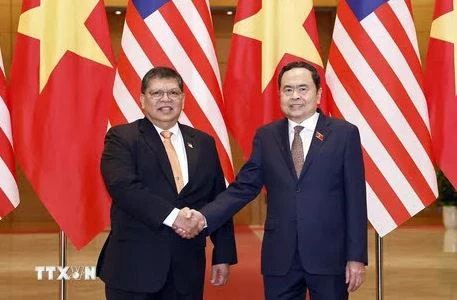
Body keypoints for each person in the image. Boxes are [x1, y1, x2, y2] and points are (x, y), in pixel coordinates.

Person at [177, 61, 367, 300]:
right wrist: (203, 217)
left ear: (318, 94)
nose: (295, 96)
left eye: (303, 89)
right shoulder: (267, 136)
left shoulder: (344, 134)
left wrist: (356, 257)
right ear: (279, 95)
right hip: (280, 256)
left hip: (329, 256)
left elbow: (356, 200)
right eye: (288, 90)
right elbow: (244, 187)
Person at [96, 66, 237, 300]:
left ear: (182, 98)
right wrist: (175, 217)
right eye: (156, 93)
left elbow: (217, 198)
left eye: (173, 93)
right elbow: (124, 188)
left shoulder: (204, 142)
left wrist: (222, 254)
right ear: (142, 99)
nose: (166, 99)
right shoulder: (122, 138)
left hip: (187, 269)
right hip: (134, 269)